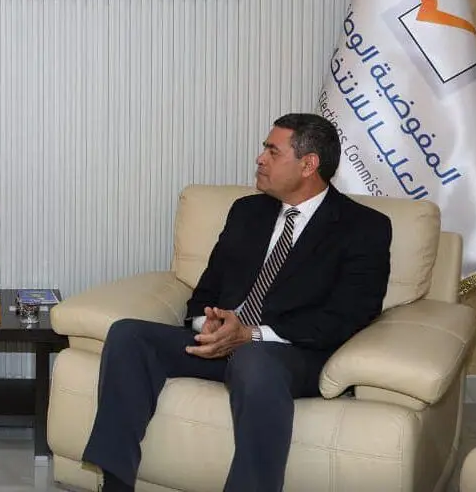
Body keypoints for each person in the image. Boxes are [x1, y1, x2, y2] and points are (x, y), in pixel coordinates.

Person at [83, 113, 392, 492]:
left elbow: (350, 315)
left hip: (294, 354)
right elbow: (206, 291)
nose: (260, 159)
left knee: (253, 359)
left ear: (308, 164)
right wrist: (208, 324)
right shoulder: (248, 211)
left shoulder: (363, 227)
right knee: (128, 335)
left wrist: (251, 335)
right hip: (222, 343)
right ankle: (115, 484)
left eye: (273, 152)